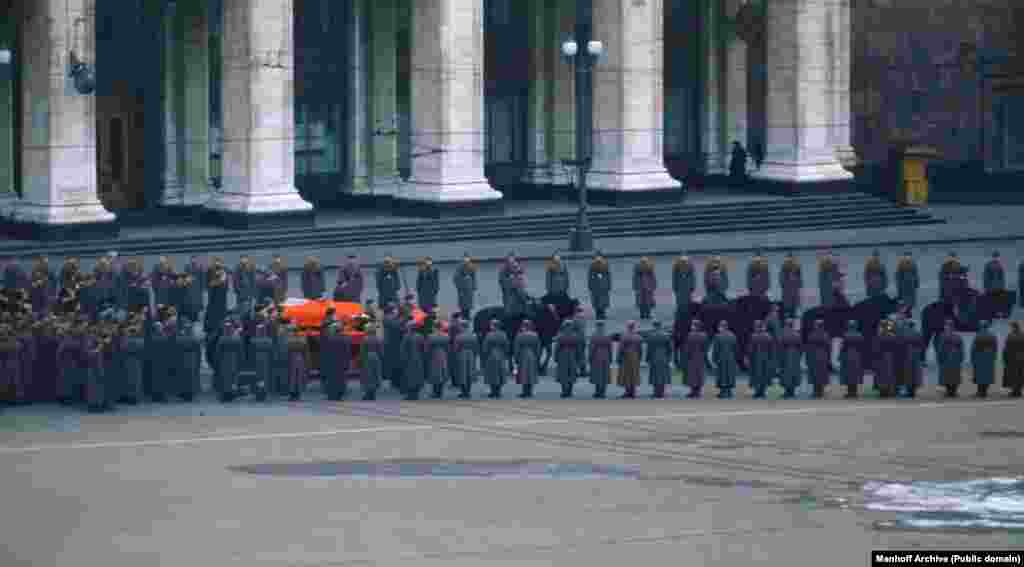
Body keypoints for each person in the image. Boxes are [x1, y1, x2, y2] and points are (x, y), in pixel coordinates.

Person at [320, 320, 350, 401]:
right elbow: (347, 352)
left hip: (332, 362)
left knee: (332, 379)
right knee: (341, 379)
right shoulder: (345, 338)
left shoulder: (330, 339)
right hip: (341, 362)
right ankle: (340, 394)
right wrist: (347, 363)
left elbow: (326, 352)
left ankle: (332, 394)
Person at [482, 320, 510, 399]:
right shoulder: (503, 334)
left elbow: (485, 346)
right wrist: (505, 354)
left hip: (491, 355)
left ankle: (493, 391)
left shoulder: (489, 335)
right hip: (501, 355)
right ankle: (498, 391)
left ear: (494, 326)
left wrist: (484, 355)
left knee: (492, 373)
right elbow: (506, 345)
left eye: (491, 325)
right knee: (500, 372)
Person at [514, 320, 541, 398]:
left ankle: (524, 392)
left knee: (523, 374)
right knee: (531, 374)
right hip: (532, 355)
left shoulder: (520, 335)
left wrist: (516, 358)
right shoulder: (535, 335)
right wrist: (537, 357)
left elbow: (517, 348)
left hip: (523, 355)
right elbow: (538, 348)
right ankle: (530, 391)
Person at [937, 319, 964, 398]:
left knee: (947, 375)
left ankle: (949, 391)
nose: (945, 327)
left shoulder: (943, 336)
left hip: (947, 357)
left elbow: (940, 348)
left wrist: (939, 358)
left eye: (946, 325)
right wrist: (961, 357)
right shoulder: (957, 336)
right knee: (954, 375)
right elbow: (961, 348)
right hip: (955, 358)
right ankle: (953, 391)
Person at [400, 320, 427, 400]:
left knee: (410, 375)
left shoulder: (406, 336)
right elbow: (424, 349)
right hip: (418, 358)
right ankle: (416, 393)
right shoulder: (420, 336)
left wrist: (402, 358)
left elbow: (403, 349)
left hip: (409, 359)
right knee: (417, 375)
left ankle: (411, 394)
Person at [748, 320, 774, 398]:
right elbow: (771, 349)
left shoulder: (754, 336)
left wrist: (749, 358)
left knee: (756, 375)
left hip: (756, 359)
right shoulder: (769, 336)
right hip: (766, 359)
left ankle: (757, 392)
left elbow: (751, 349)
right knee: (764, 375)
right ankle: (763, 392)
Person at [712, 320, 738, 398]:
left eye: (719, 326)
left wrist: (714, 359)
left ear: (722, 327)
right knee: (729, 375)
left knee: (722, 375)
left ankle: (723, 392)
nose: (718, 328)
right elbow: (736, 349)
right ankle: (729, 392)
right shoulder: (733, 336)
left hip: (721, 359)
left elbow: (716, 350)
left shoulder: (718, 336)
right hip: (731, 358)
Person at [646, 320, 672, 399]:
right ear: (660, 325)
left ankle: (656, 392)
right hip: (664, 356)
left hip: (654, 356)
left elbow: (649, 348)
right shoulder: (666, 335)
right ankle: (662, 392)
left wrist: (647, 358)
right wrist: (669, 357)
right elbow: (670, 348)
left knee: (655, 375)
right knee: (663, 375)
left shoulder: (651, 335)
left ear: (654, 326)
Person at [452, 321, 478, 399]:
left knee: (462, 373)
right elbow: (476, 347)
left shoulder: (459, 336)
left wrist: (455, 356)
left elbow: (455, 348)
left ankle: (463, 392)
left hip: (462, 354)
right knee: (469, 373)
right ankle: (468, 391)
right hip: (471, 354)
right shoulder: (473, 336)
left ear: (462, 327)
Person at [972, 320, 997, 398]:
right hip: (989, 357)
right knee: (987, 375)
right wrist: (993, 356)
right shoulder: (992, 336)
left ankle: (980, 391)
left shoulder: (978, 335)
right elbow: (995, 348)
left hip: (979, 357)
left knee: (980, 375)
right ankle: (984, 391)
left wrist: (973, 358)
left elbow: (973, 349)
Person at [806, 319, 831, 398]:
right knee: (822, 373)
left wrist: (807, 358)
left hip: (814, 356)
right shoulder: (825, 334)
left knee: (815, 373)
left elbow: (808, 348)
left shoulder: (812, 335)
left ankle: (816, 391)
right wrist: (829, 358)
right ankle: (821, 391)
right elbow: (828, 347)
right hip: (823, 355)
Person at [617, 321, 643, 398]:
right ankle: (633, 391)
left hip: (626, 356)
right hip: (635, 356)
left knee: (626, 374)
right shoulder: (638, 336)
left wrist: (618, 357)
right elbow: (640, 349)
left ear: (628, 327)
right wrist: (639, 358)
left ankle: (627, 391)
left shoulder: (624, 336)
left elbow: (621, 348)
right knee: (634, 374)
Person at [589, 320, 614, 399]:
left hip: (596, 356)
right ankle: (603, 392)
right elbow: (610, 348)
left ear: (597, 326)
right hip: (606, 356)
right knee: (604, 374)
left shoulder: (594, 335)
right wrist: (610, 357)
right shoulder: (607, 335)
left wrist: (590, 357)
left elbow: (591, 348)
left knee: (597, 375)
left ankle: (598, 392)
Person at [839, 320, 865, 398]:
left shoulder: (845, 335)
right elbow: (862, 347)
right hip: (857, 355)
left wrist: (840, 356)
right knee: (855, 374)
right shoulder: (859, 335)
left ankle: (850, 392)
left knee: (849, 374)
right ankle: (854, 392)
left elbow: (843, 347)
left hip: (847, 356)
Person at [554, 320, 579, 398]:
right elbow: (578, 348)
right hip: (572, 355)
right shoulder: (575, 336)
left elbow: (557, 348)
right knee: (571, 373)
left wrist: (556, 357)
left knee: (563, 374)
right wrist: (578, 357)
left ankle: (564, 391)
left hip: (563, 355)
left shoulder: (560, 336)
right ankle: (569, 391)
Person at [779, 319, 803, 399]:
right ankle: (792, 391)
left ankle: (787, 391)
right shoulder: (797, 334)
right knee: (794, 373)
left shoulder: (783, 334)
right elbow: (800, 347)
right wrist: (798, 356)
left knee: (786, 373)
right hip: (795, 355)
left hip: (786, 355)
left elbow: (780, 345)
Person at [684, 320, 708, 398]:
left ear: (696, 326)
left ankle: (693, 392)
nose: (692, 326)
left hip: (691, 357)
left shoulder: (690, 335)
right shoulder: (704, 335)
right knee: (699, 374)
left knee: (692, 375)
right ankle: (698, 392)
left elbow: (687, 348)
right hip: (700, 357)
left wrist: (686, 357)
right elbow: (705, 348)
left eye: (693, 325)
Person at [360, 323, 384, 400]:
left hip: (367, 357)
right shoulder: (377, 339)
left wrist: (361, 360)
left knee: (368, 375)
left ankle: (368, 393)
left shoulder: (365, 339)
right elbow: (380, 350)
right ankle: (373, 393)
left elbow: (362, 351)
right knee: (375, 375)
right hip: (376, 357)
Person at [285, 325, 309, 401]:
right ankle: (298, 394)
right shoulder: (303, 339)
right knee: (299, 377)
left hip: (291, 358)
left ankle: (292, 394)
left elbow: (287, 350)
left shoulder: (289, 340)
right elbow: (306, 351)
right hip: (300, 358)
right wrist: (306, 361)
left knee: (292, 377)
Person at [427, 323, 450, 399]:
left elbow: (428, 347)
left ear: (435, 327)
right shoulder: (446, 336)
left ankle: (435, 392)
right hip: (443, 354)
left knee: (435, 373)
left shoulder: (431, 336)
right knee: (442, 372)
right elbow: (448, 347)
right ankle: (440, 391)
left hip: (434, 355)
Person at [983, 251, 1009, 318]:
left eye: (997, 257)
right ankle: (993, 313)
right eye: (995, 257)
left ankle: (997, 313)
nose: (996, 258)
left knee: (998, 301)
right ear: (993, 257)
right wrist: (986, 287)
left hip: (998, 287)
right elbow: (986, 277)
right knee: (992, 301)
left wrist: (1002, 286)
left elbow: (1002, 277)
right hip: (991, 288)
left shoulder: (1000, 265)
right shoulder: (988, 265)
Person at [1002, 321, 1024, 398]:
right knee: (1020, 374)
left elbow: (1007, 348)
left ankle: (1015, 391)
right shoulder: (1022, 335)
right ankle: (1018, 391)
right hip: (1021, 358)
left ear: (1014, 327)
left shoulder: (1011, 336)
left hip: (1012, 358)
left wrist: (1004, 357)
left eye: (1011, 326)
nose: (1010, 328)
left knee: (1013, 375)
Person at [453, 254, 478, 318]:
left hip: (469, 288)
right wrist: (460, 285)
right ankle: (463, 316)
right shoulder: (459, 267)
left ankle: (467, 316)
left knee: (468, 304)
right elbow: (455, 278)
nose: (466, 259)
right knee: (463, 304)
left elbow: (474, 277)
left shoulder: (472, 266)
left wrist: (474, 286)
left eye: (467, 258)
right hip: (462, 288)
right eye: (465, 258)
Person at [588, 252, 612, 320]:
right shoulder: (592, 265)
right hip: (596, 285)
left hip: (603, 285)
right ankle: (598, 313)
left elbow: (608, 276)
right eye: (597, 256)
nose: (598, 258)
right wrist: (590, 285)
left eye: (600, 256)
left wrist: (609, 285)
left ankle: (602, 313)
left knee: (603, 300)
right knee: (596, 301)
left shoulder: (605, 264)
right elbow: (590, 276)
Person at [779, 251, 803, 318]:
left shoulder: (797, 268)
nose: (791, 260)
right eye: (789, 258)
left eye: (792, 259)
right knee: (788, 311)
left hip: (793, 294)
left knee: (793, 311)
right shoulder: (784, 268)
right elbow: (781, 281)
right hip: (787, 294)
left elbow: (800, 282)